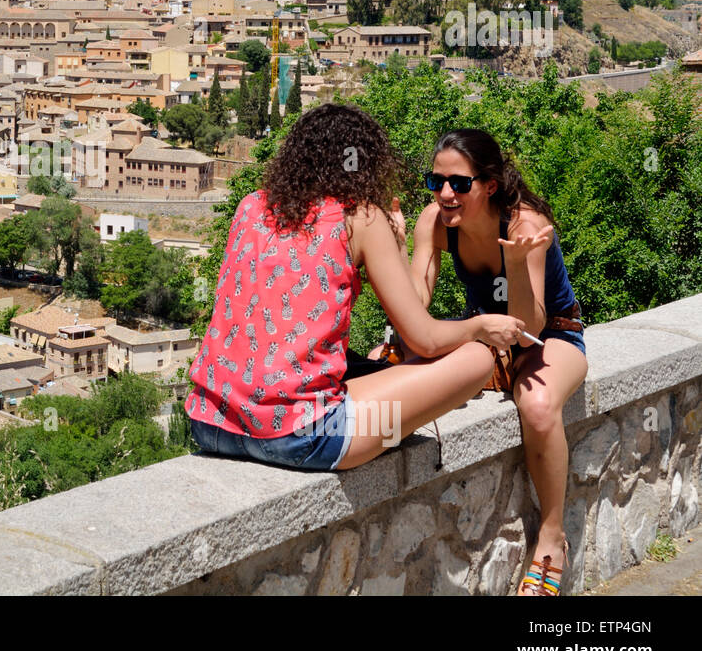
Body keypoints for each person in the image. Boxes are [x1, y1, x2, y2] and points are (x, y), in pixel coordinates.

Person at [185, 104, 524, 478]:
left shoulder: (251, 206)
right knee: (476, 361)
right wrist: (480, 328)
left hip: (210, 424)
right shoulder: (360, 217)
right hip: (303, 437)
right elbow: (425, 338)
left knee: (370, 362)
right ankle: (393, 430)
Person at [404, 128, 588, 596]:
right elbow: (415, 305)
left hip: (550, 335)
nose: (446, 193)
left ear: (488, 185)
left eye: (459, 183)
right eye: (436, 181)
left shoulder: (525, 226)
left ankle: (550, 537)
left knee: (539, 407)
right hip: (487, 335)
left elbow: (529, 322)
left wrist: (521, 263)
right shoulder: (435, 221)